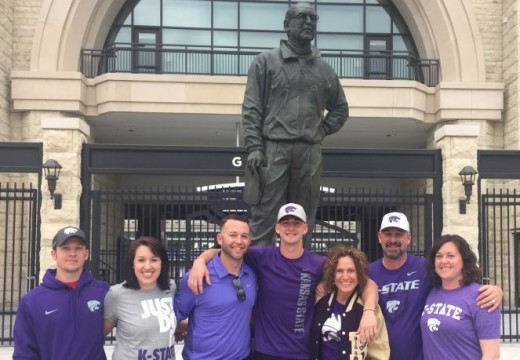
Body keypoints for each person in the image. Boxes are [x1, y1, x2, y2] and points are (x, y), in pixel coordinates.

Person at [189, 203, 378, 360]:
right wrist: (200, 261)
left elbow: (367, 283)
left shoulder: (318, 263)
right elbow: (228, 250)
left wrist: (369, 312)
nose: (291, 228)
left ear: (305, 228)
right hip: (266, 352)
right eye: (285, 223)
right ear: (277, 228)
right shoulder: (262, 257)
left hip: (303, 352)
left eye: (296, 223)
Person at [242, 1, 348, 248]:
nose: (309, 23)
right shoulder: (265, 62)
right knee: (264, 217)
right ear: (287, 25)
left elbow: (341, 109)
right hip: (273, 148)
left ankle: (302, 276)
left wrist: (320, 130)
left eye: (313, 19)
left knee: (303, 219)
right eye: (303, 18)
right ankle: (258, 279)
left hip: (309, 152)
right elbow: (252, 108)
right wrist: (255, 147)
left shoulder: (324, 70)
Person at [368, 212, 503, 360]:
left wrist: (497, 291)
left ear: (408, 238)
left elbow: (457, 281)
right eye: (388, 234)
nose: (393, 239)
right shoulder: (368, 272)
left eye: (399, 234)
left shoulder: (424, 268)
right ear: (380, 237)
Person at [13, 226, 109, 360]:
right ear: (54, 254)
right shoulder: (31, 302)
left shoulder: (104, 292)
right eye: (65, 248)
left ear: (86, 254)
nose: (72, 254)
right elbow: (24, 354)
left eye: (78, 248)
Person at [174, 215, 257, 359]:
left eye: (244, 236)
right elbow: (173, 319)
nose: (239, 241)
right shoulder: (196, 277)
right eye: (233, 235)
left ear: (249, 240)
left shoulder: (252, 274)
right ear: (220, 239)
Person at [421, 234, 500, 359]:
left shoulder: (483, 297)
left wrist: (498, 291)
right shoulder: (431, 292)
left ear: (464, 260)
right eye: (439, 256)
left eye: (450, 256)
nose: (443, 261)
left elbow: (492, 355)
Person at [311, 245, 390, 360]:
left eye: (351, 271)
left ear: (359, 274)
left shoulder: (369, 309)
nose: (345, 276)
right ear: (332, 275)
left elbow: (379, 353)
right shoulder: (320, 302)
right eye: (339, 271)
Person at [104, 236, 177, 360]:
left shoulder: (170, 288)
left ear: (162, 263)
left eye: (154, 260)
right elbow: (97, 337)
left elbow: (161, 321)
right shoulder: (116, 295)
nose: (148, 266)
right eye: (141, 260)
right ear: (132, 263)